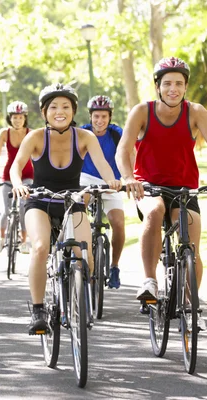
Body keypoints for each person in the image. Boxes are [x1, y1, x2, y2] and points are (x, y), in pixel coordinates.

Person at [115, 57, 207, 330]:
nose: (173, 88)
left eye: (179, 84)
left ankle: (190, 303)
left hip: (185, 189)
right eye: (168, 83)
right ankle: (149, 281)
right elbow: (123, 149)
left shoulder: (195, 112)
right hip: (148, 186)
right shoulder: (142, 111)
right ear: (158, 86)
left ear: (185, 87)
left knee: (191, 247)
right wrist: (128, 178)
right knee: (155, 211)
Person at [10, 83, 121, 335]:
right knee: (40, 248)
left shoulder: (85, 137)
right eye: (54, 107)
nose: (60, 111)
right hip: (40, 200)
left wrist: (112, 180)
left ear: (73, 111)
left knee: (85, 253)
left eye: (66, 107)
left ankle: (80, 298)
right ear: (44, 112)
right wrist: (18, 184)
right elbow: (17, 166)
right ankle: (38, 310)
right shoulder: (35, 137)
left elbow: (103, 164)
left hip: (72, 200)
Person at [80, 95, 127, 289]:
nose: (100, 121)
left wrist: (128, 179)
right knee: (77, 211)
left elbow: (127, 155)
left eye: (104, 116)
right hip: (86, 179)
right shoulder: (82, 132)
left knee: (118, 222)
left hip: (112, 182)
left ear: (110, 117)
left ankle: (114, 266)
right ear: (90, 116)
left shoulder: (117, 133)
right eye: (96, 116)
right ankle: (81, 258)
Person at [0, 101, 34, 254]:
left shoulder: (31, 133)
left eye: (20, 118)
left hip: (27, 175)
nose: (17, 120)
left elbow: (37, 157)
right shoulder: (4, 133)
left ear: (25, 118)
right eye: (14, 117)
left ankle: (24, 242)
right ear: (10, 118)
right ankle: (1, 238)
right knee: (7, 210)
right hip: (8, 175)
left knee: (22, 208)